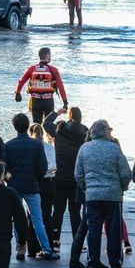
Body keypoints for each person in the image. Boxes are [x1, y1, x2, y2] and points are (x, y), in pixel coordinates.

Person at [74, 120, 132, 268]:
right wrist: (122, 188)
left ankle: (92, 262)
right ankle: (115, 264)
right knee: (114, 230)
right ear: (106, 132)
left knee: (93, 229)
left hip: (92, 195)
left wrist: (86, 188)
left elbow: (78, 174)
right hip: (112, 195)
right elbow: (126, 173)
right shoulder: (114, 149)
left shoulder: (84, 149)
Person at [2, 113, 59, 260]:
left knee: (17, 218)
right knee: (37, 219)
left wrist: (9, 180)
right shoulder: (37, 145)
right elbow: (43, 166)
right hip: (32, 186)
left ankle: (20, 248)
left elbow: (5, 168)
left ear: (15, 127)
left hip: (15, 186)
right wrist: (36, 178)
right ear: (27, 126)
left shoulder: (8, 145)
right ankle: (46, 249)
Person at [43, 107, 87, 250]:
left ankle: (55, 240)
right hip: (76, 180)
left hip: (59, 178)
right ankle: (78, 241)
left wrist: (56, 112)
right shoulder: (85, 134)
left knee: (58, 211)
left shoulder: (59, 130)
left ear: (69, 117)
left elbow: (45, 123)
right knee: (75, 212)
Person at [14, 46, 68, 124]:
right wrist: (65, 102)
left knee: (36, 125)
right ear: (47, 56)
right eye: (50, 55)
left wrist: (18, 93)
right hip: (48, 101)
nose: (50, 57)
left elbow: (21, 81)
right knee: (48, 125)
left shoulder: (32, 69)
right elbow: (60, 86)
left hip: (36, 101)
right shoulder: (53, 70)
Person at [29, 123, 57, 249]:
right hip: (48, 183)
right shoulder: (50, 148)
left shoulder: (30, 147)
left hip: (34, 183)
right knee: (47, 216)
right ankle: (49, 244)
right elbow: (53, 167)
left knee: (33, 216)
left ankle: (33, 248)